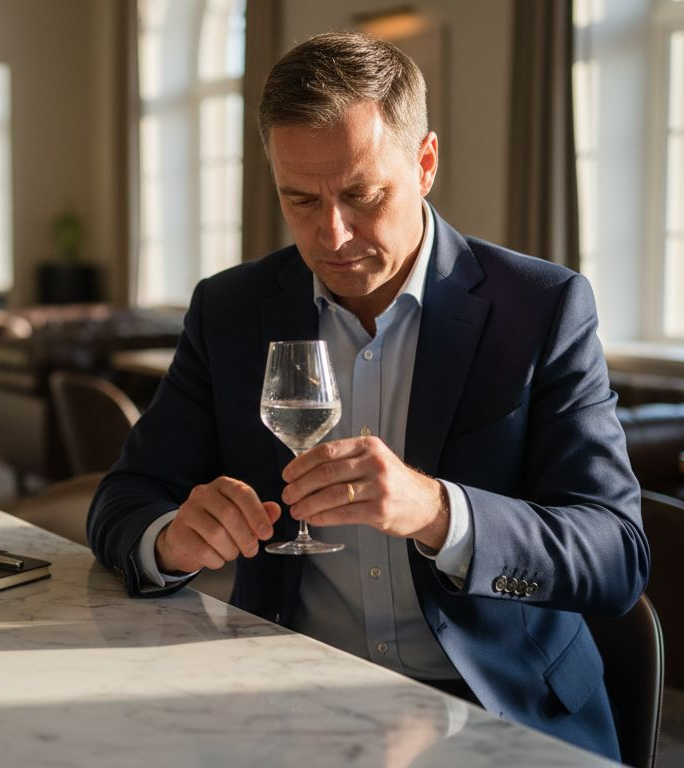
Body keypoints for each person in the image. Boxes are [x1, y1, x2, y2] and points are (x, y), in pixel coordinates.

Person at [88, 31, 647, 760]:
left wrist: (437, 511)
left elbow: (616, 553)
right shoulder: (231, 311)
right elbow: (124, 498)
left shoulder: (541, 308)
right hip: (295, 704)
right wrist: (171, 539)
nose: (332, 234)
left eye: (362, 195)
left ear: (426, 163)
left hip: (500, 711)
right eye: (299, 199)